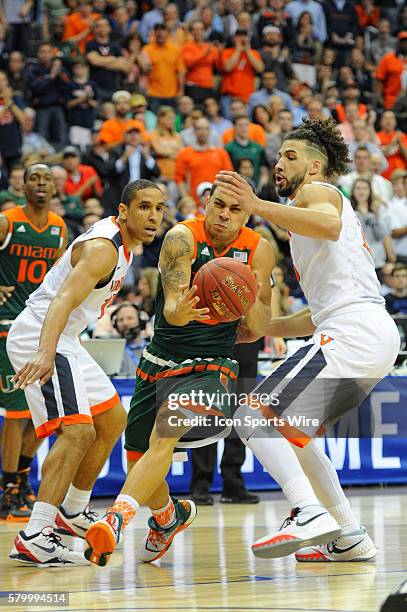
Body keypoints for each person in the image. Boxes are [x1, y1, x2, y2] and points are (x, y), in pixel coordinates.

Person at [214, 117, 400, 561]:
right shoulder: (300, 222)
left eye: (290, 156)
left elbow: (329, 225)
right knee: (293, 430)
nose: (278, 162)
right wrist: (268, 328)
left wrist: (255, 203)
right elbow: (318, 313)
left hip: (354, 331)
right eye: (278, 155)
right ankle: (347, 535)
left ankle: (308, 511)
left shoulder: (318, 195)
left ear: (315, 168)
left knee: (251, 413)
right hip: (362, 331)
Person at [84, 178, 275, 567]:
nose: (224, 214)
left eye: (235, 210)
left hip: (213, 364)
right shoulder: (181, 237)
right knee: (137, 460)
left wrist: (246, 293)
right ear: (207, 202)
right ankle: (169, 518)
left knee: (164, 433)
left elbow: (256, 328)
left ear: (248, 214)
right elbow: (172, 308)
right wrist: (182, 308)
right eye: (219, 204)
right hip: (160, 358)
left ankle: (115, 519)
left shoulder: (260, 249)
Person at [7, 179, 165, 566]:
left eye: (159, 209)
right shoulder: (103, 249)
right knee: (78, 431)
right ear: (123, 210)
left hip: (68, 339)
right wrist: (45, 353)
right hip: (43, 335)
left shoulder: (123, 247)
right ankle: (36, 535)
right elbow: (62, 299)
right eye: (144, 207)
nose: (153, 216)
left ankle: (73, 510)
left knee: (113, 419)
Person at [0, 164, 66, 522]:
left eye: (46, 179)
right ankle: (7, 489)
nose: (40, 184)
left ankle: (21, 480)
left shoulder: (58, 228)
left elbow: (60, 283)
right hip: (5, 326)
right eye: (34, 178)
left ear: (54, 187)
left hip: (41, 326)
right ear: (22, 185)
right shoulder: (7, 222)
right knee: (17, 412)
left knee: (47, 414)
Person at [110, 302, 149, 376]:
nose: (125, 323)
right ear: (115, 325)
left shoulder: (153, 351)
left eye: (129, 318)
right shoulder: (111, 352)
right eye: (121, 320)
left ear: (141, 321)